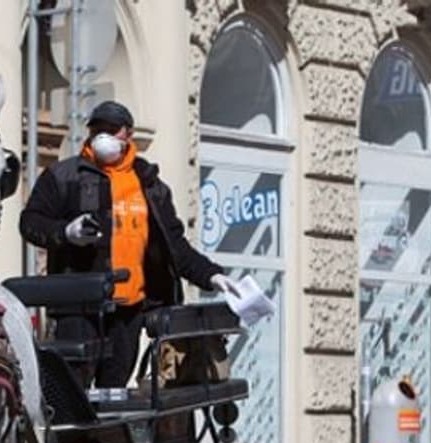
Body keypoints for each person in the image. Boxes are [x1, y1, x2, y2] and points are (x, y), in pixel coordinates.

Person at [20, 100, 272, 388]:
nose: (103, 136)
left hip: (129, 311)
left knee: (115, 392)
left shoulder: (149, 184)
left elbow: (174, 245)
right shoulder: (64, 176)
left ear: (128, 134)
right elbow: (30, 223)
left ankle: (108, 420)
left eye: (111, 130)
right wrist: (66, 232)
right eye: (97, 129)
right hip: (78, 308)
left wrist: (212, 276)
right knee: (71, 390)